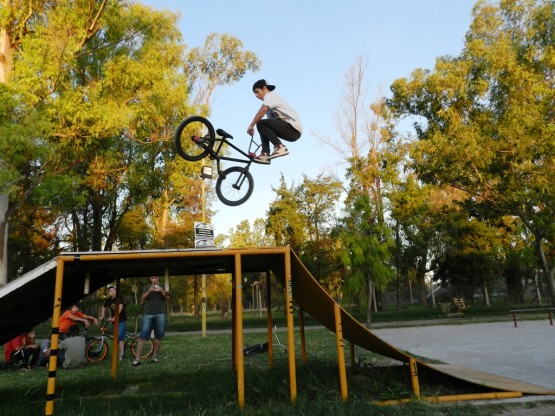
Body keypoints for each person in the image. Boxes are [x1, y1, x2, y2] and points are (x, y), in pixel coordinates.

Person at [247, 79, 302, 164]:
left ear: (264, 88)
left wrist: (251, 125)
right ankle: (265, 154)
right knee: (262, 125)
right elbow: (267, 129)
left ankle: (279, 147)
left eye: (257, 92)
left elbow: (263, 110)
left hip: (293, 128)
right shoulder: (269, 105)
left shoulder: (270, 95)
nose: (256, 96)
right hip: (291, 132)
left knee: (260, 123)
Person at [132, 276, 167, 366]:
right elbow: (142, 299)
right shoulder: (147, 287)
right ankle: (137, 359)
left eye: (155, 278)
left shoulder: (163, 285)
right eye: (152, 278)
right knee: (143, 336)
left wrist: (161, 290)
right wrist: (149, 291)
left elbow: (168, 297)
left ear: (158, 278)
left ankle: (154, 357)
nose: (154, 279)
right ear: (150, 279)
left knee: (158, 336)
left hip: (160, 314)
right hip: (148, 314)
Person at [99, 285, 127, 361]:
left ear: (116, 291)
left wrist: (114, 318)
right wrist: (102, 315)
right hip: (114, 322)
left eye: (113, 290)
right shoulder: (109, 300)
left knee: (120, 337)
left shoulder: (119, 297)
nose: (112, 292)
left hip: (121, 320)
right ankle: (119, 352)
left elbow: (120, 308)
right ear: (108, 292)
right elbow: (104, 306)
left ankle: (122, 355)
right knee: (117, 338)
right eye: (110, 291)